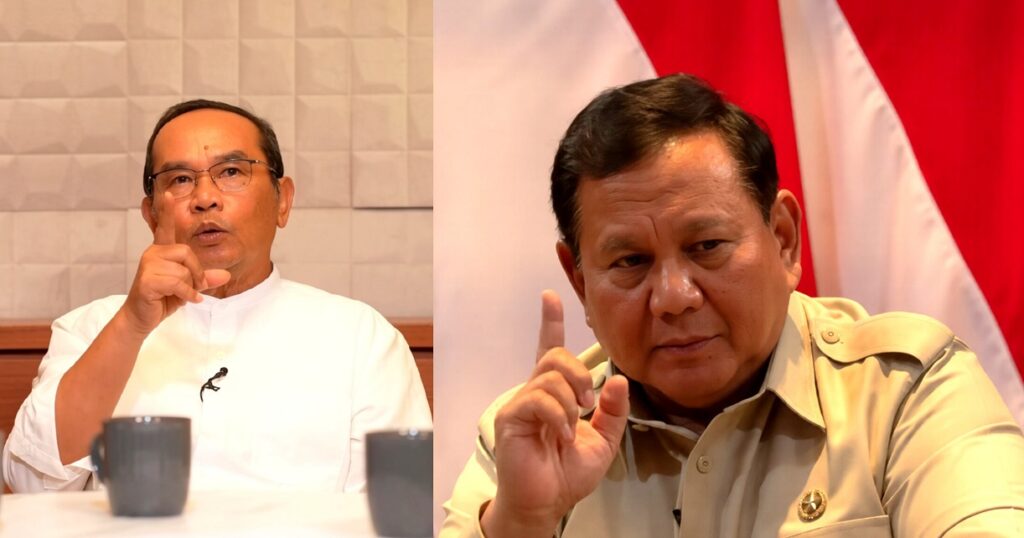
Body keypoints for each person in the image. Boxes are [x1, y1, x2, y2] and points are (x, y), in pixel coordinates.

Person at [441, 74, 1024, 536]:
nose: (673, 298)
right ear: (580, 283)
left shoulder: (904, 391)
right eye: (631, 261)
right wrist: (522, 523)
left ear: (783, 240)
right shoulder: (534, 435)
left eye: (707, 247)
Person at [2, 100, 431, 493]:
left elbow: (399, 507)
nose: (205, 198)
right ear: (151, 215)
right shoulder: (91, 328)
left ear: (283, 201)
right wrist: (130, 326)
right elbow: (31, 485)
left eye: (231, 172)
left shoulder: (361, 338)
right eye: (180, 179)